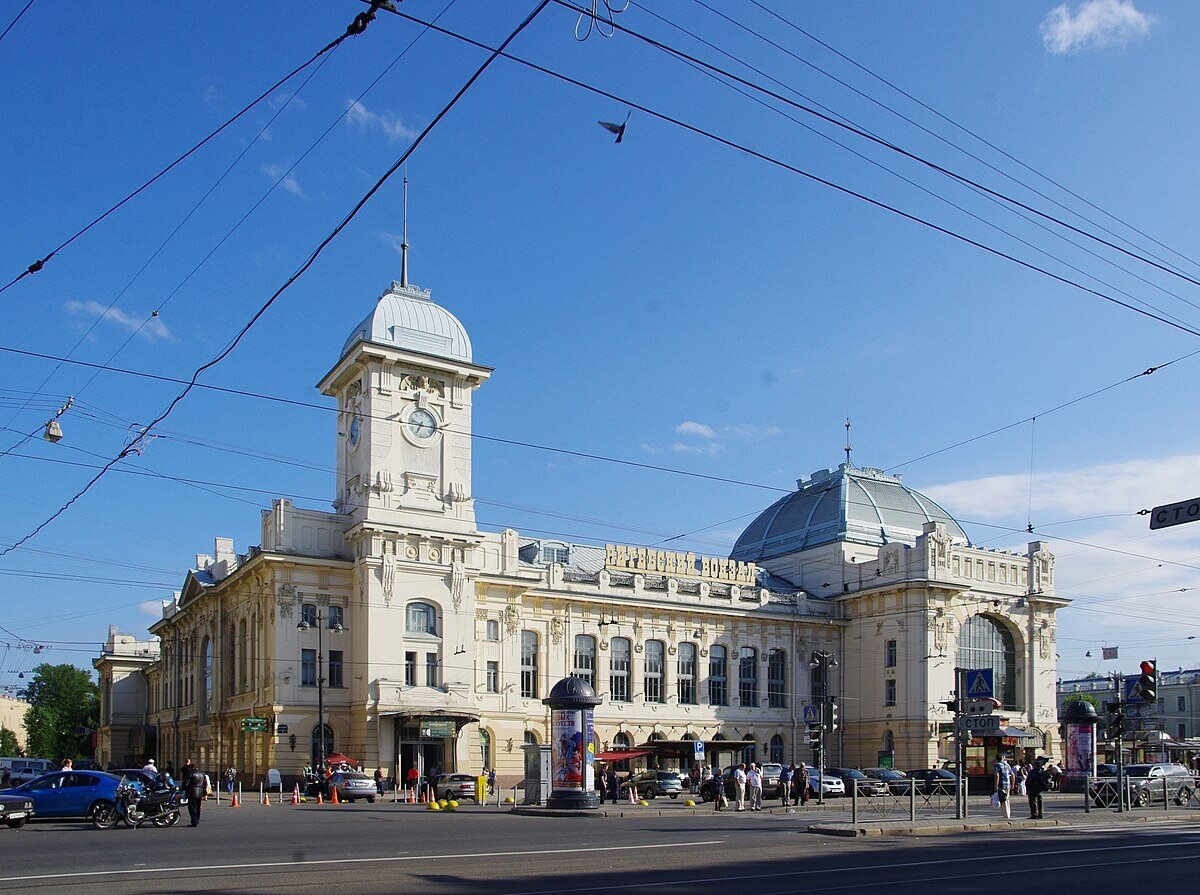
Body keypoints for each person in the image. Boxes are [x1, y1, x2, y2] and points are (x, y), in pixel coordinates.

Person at [183, 759, 207, 827]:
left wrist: (184, 789)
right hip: (200, 792)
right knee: (198, 807)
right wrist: (204, 792)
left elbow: (186, 783)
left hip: (192, 792)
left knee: (192, 807)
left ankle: (194, 821)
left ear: (190, 768)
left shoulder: (190, 773)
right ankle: (197, 819)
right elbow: (205, 783)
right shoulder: (202, 774)